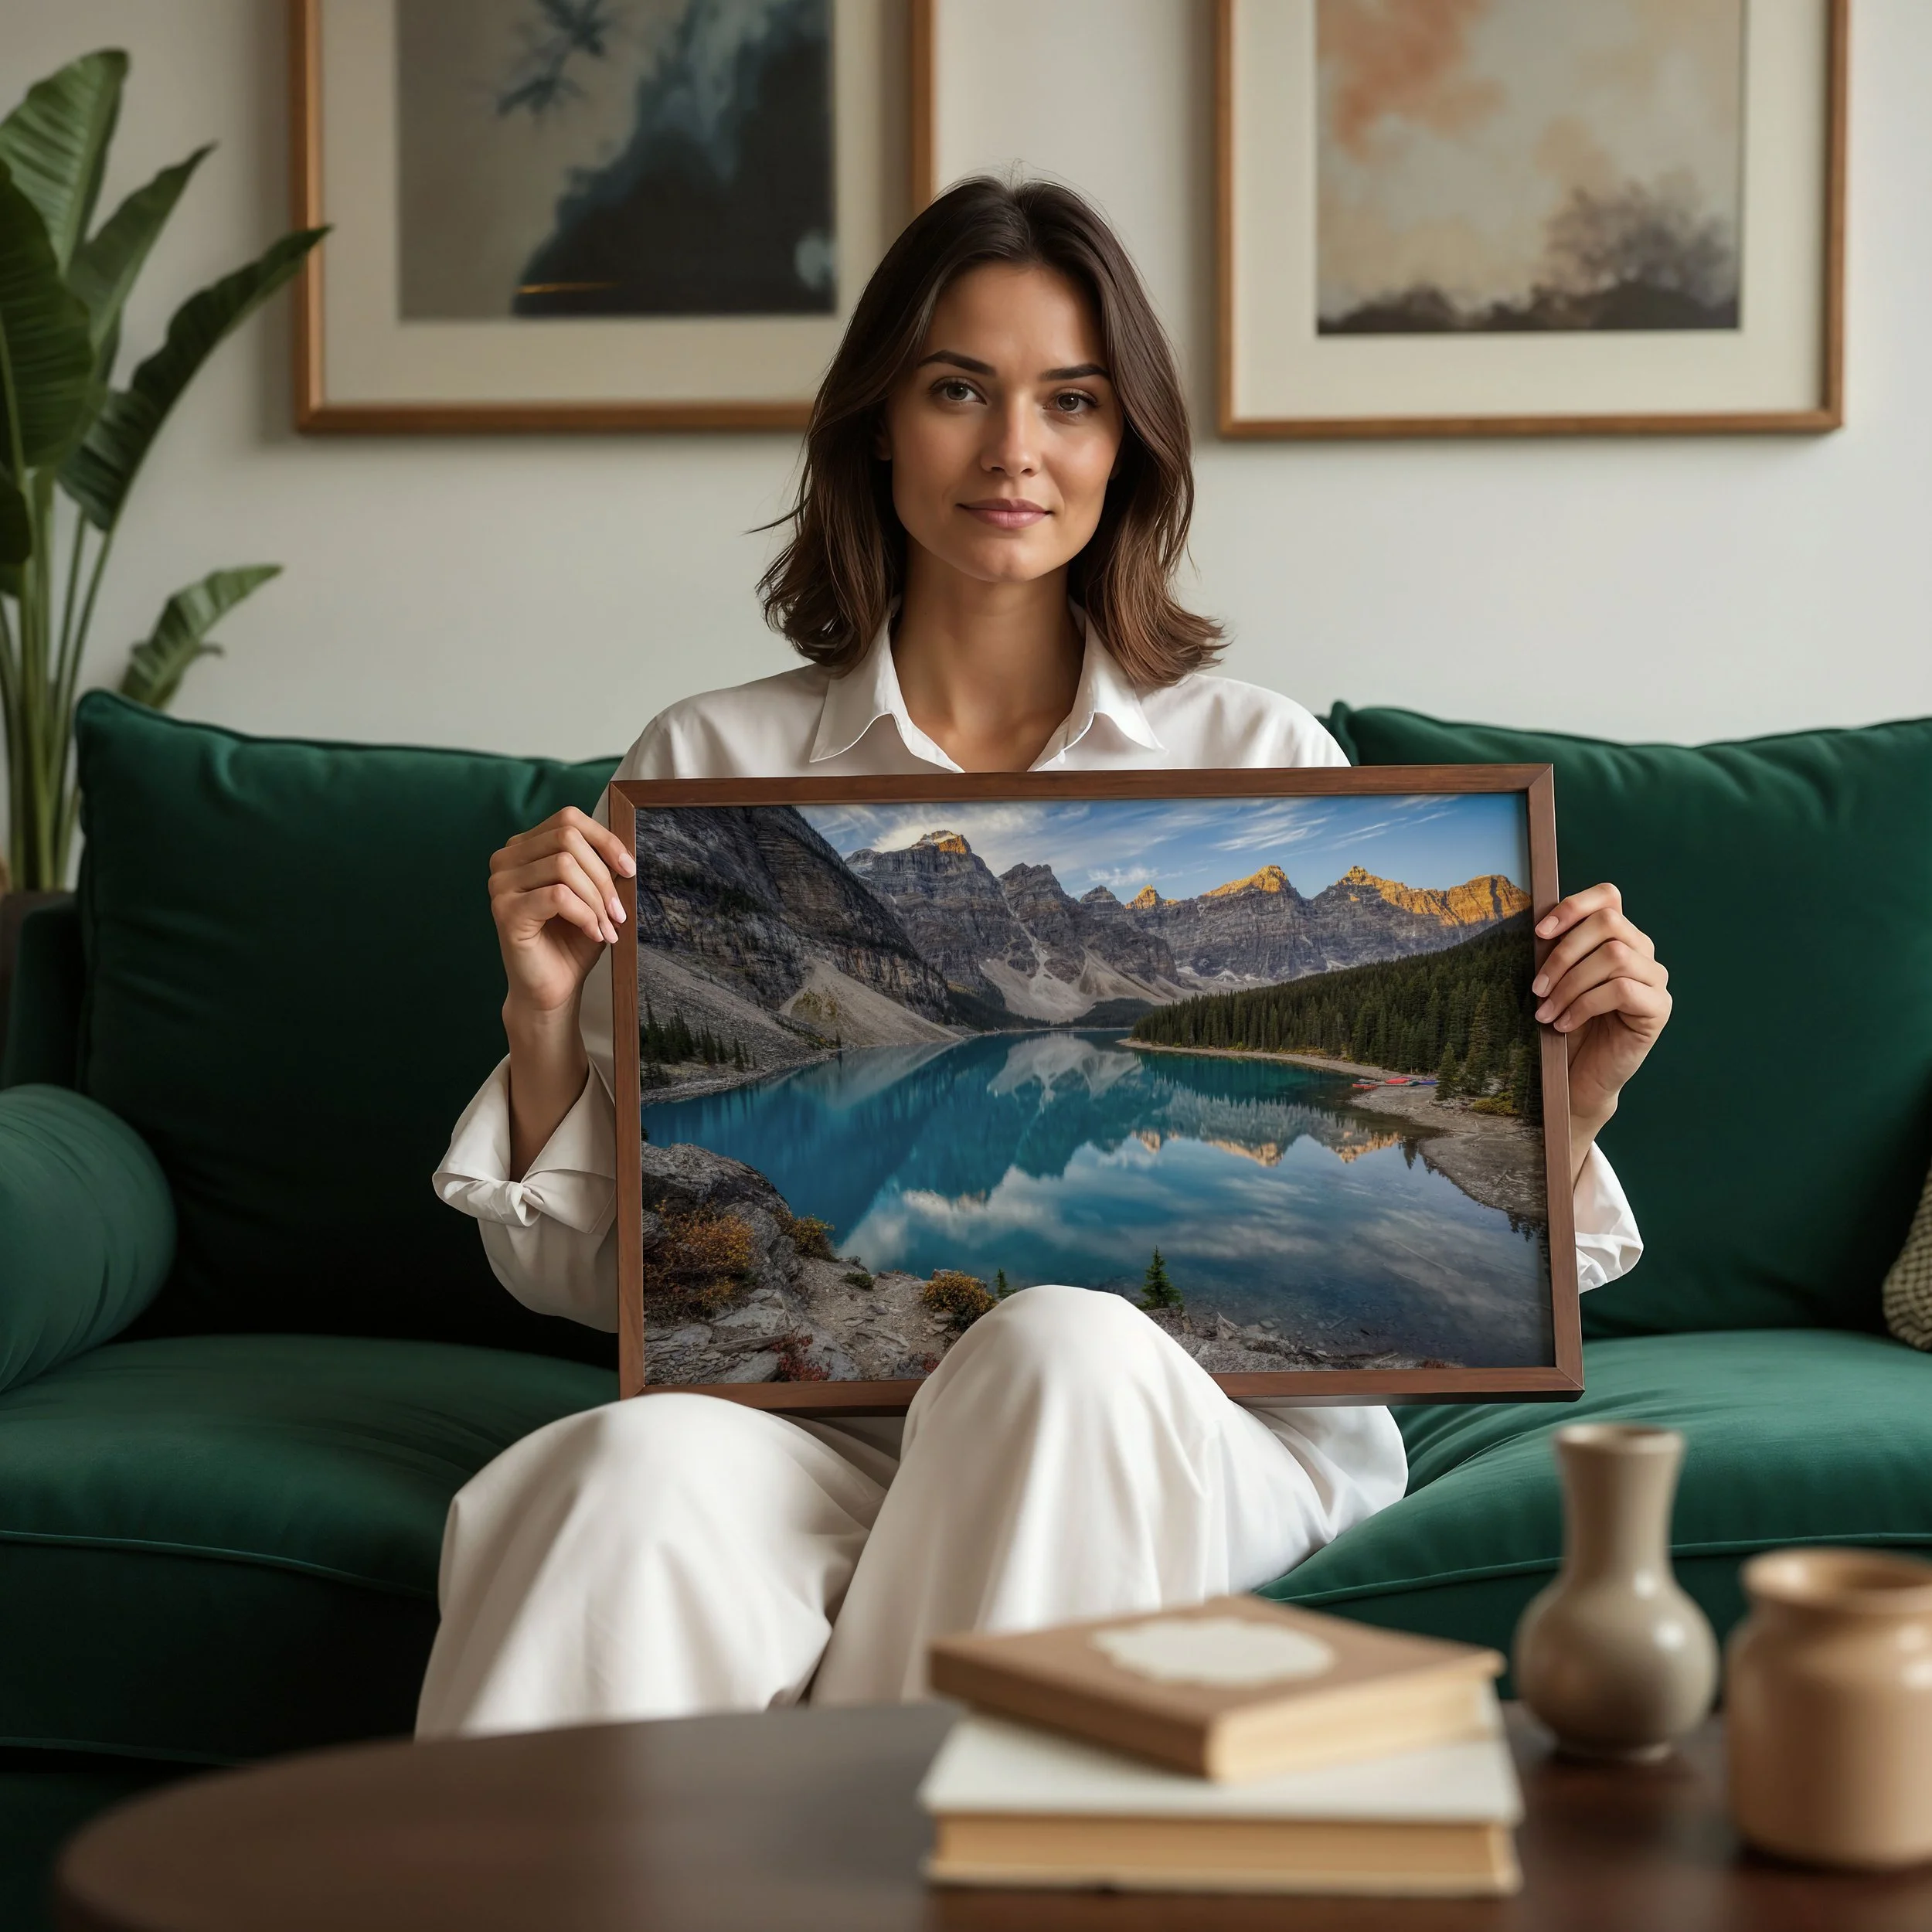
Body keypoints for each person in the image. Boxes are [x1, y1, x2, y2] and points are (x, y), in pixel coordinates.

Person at [420, 178, 1667, 1739]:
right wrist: (543, 1014)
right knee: (618, 1470)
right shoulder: (706, 757)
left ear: (1123, 443)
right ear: (879, 419)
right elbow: (585, 1281)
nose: (1014, 451)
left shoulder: (1260, 749)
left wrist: (1572, 1091)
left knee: (1062, 1343)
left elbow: (1471, 1268)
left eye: (1069, 402)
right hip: (834, 1436)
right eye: (959, 389)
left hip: (1192, 1439)